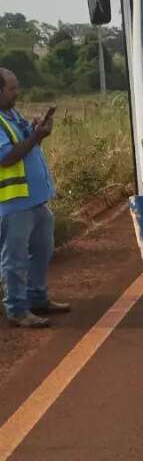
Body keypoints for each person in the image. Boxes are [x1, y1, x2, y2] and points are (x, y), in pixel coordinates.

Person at [0, 67, 70, 328]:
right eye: (11, 88)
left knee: (42, 251)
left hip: (36, 199)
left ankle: (37, 298)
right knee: (15, 259)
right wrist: (36, 135)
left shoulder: (11, 114)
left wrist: (38, 133)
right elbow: (7, 158)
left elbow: (26, 148)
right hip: (15, 203)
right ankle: (17, 309)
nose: (16, 92)